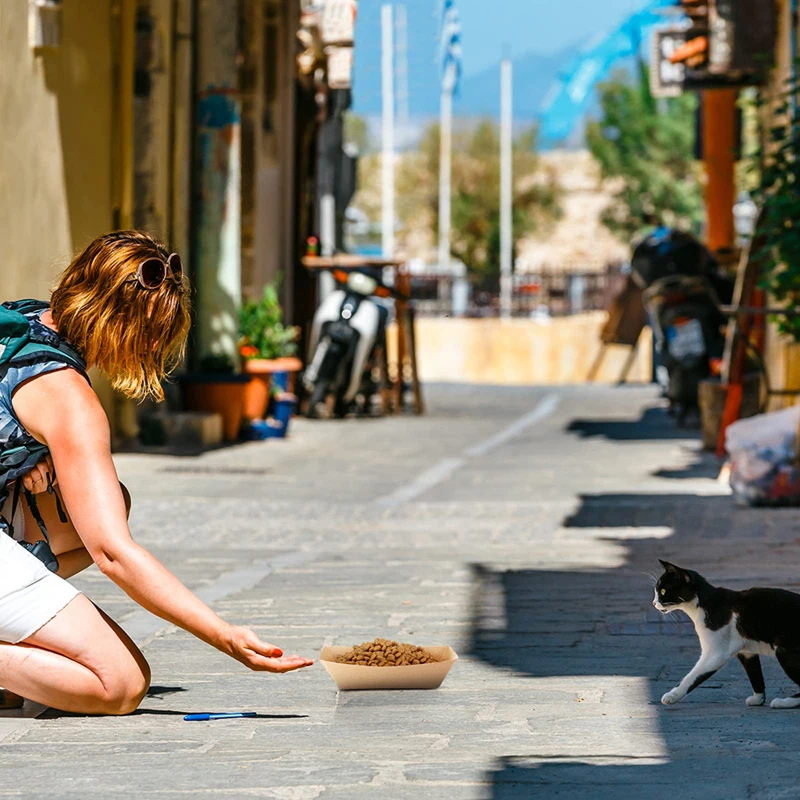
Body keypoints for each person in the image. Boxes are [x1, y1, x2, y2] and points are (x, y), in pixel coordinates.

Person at [0, 231, 313, 715]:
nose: (153, 345)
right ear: (113, 319)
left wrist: (24, 460)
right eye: (150, 332)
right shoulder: (67, 397)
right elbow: (113, 554)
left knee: (111, 499)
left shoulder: (22, 321)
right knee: (119, 683)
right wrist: (222, 634)